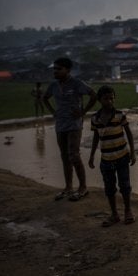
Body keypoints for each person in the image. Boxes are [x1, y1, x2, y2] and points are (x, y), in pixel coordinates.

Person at [43, 57, 97, 201]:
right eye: (54, 69)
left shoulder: (77, 83)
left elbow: (93, 95)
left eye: (59, 69)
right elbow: (45, 98)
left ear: (68, 70)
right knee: (64, 157)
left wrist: (83, 112)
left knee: (74, 155)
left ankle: (83, 187)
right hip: (60, 124)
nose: (55, 71)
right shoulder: (53, 85)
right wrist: (53, 112)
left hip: (74, 125)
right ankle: (68, 187)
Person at [89, 85, 136, 226]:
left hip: (122, 156)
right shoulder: (95, 119)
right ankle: (114, 214)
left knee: (125, 185)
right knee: (109, 188)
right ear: (99, 100)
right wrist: (91, 155)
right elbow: (96, 137)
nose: (109, 101)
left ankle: (128, 210)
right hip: (106, 159)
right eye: (106, 99)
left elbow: (129, 133)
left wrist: (132, 153)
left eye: (111, 98)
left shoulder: (120, 115)